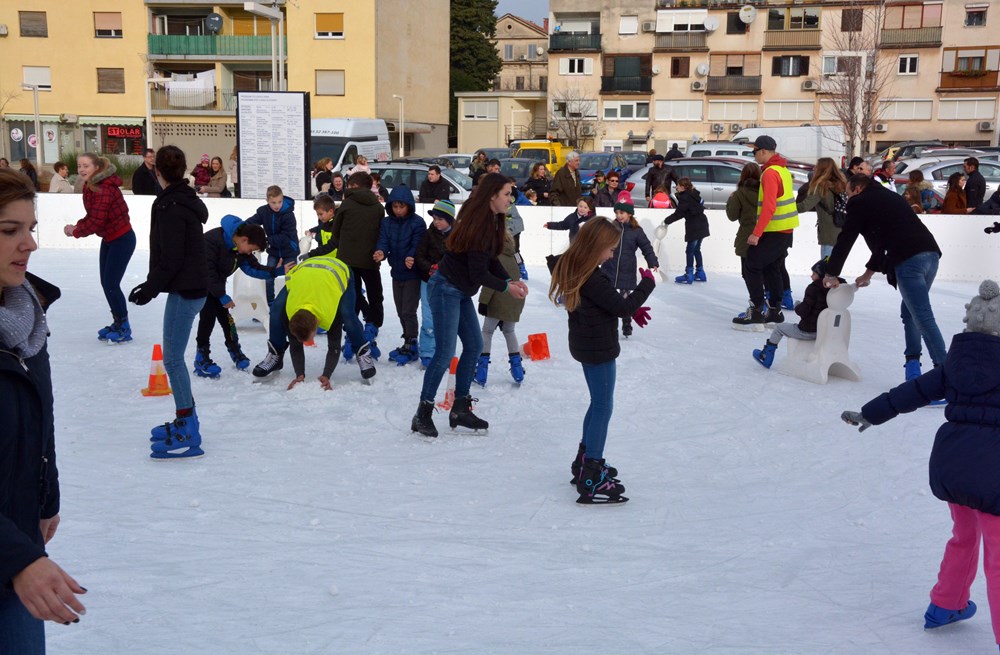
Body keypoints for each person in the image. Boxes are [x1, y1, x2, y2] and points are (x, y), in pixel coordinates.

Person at [840, 279, 1000, 651]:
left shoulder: (953, 364)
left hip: (952, 465)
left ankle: (946, 605)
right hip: (993, 472)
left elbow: (911, 393)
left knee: (963, 536)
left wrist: (869, 413)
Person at [0, 169, 87, 654]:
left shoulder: (24, 314)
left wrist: (45, 495)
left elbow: (39, 412)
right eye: (9, 231)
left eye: (30, 228)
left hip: (17, 545)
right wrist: (17, 557)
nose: (29, 244)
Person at [410, 173, 529, 438]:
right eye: (507, 193)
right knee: (444, 353)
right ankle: (423, 413)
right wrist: (506, 287)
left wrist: (510, 279)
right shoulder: (478, 225)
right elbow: (479, 273)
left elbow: (491, 261)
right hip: (445, 289)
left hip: (461, 291)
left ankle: (460, 408)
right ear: (492, 196)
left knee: (474, 346)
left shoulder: (494, 221)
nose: (511, 198)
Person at [548, 216, 656, 504]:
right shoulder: (592, 277)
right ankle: (592, 474)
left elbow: (609, 306)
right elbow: (620, 306)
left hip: (586, 345)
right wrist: (646, 285)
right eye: (609, 249)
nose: (611, 255)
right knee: (603, 407)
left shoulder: (580, 269)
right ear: (596, 246)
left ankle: (584, 461)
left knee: (597, 404)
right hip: (598, 349)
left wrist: (631, 310)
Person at [128, 145, 209, 459]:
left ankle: (188, 426)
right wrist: (152, 285)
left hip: (186, 289)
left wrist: (150, 288)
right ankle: (184, 419)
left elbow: (172, 257)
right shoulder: (184, 200)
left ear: (157, 172)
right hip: (190, 286)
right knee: (173, 358)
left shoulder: (171, 206)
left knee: (173, 359)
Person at [824, 174, 946, 380]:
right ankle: (913, 368)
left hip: (909, 261)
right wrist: (867, 274)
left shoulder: (859, 202)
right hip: (931, 255)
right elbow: (885, 241)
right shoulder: (890, 197)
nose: (847, 197)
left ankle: (945, 378)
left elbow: (846, 239)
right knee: (910, 313)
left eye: (848, 192)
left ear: (858, 188)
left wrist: (831, 272)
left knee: (923, 317)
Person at [270, 254, 376, 389]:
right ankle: (274, 354)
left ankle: (363, 352)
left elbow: (334, 347)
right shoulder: (290, 314)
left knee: (348, 315)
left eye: (308, 339)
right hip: (305, 271)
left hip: (337, 270)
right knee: (276, 310)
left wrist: (327, 374)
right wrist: (299, 375)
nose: (307, 343)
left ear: (316, 322)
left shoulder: (330, 313)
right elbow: (295, 345)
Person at [62, 153, 137, 342]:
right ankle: (118, 321)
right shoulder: (92, 186)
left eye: (86, 165)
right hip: (110, 238)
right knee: (107, 283)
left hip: (122, 239)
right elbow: (93, 216)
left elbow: (96, 221)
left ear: (96, 167)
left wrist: (75, 231)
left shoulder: (103, 189)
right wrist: (77, 226)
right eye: (79, 166)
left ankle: (124, 326)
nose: (81, 169)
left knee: (111, 284)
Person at [194, 216, 280, 378]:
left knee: (227, 319)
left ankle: (235, 350)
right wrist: (222, 296)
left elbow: (254, 268)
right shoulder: (212, 241)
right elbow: (207, 273)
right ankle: (201, 357)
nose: (250, 253)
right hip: (200, 283)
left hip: (217, 284)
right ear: (244, 239)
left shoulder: (240, 248)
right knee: (208, 317)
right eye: (251, 249)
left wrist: (276, 271)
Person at [732, 135, 800, 328]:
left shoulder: (770, 173)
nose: (753, 155)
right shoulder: (783, 170)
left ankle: (756, 311)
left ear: (763, 151)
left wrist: (756, 233)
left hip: (774, 230)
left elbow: (769, 206)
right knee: (772, 268)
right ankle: (774, 311)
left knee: (752, 265)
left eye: (754, 151)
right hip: (785, 230)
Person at [331, 171, 386, 359]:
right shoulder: (378, 207)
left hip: (347, 262)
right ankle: (370, 331)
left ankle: (351, 337)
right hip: (370, 261)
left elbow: (335, 232)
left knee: (351, 299)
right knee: (375, 296)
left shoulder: (346, 204)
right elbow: (382, 233)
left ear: (354, 186)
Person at [751, 259, 844, 368]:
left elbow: (803, 311)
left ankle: (766, 356)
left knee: (779, 329)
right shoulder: (836, 289)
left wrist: (797, 306)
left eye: (814, 273)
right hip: (827, 332)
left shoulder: (813, 288)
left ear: (823, 276)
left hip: (809, 331)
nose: (811, 276)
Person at [374, 185, 427, 365]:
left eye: (401, 207)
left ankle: (412, 343)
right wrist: (381, 251)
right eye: (395, 207)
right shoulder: (386, 223)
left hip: (412, 274)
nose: (398, 210)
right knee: (399, 311)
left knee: (408, 310)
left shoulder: (418, 223)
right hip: (396, 272)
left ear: (409, 206)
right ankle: (407, 341)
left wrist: (411, 256)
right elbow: (383, 240)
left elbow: (418, 243)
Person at [602, 190, 659, 337]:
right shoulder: (611, 227)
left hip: (627, 269)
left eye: (622, 213)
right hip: (609, 267)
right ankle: (609, 324)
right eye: (617, 212)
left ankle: (627, 324)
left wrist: (652, 261)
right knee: (608, 298)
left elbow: (646, 247)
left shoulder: (636, 231)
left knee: (625, 299)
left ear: (630, 213)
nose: (619, 215)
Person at [474, 229, 526, 387]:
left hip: (498, 298)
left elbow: (490, 282)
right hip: (515, 299)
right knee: (509, 331)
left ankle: (481, 372)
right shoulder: (515, 255)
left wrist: (483, 302)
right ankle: (517, 369)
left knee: (487, 331)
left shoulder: (494, 256)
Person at [414, 199, 455, 367]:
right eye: (434, 218)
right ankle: (427, 351)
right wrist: (430, 268)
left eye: (440, 219)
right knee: (429, 317)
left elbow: (459, 259)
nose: (436, 222)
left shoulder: (457, 236)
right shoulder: (428, 234)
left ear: (450, 220)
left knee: (448, 319)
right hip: (428, 282)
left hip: (450, 284)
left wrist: (446, 269)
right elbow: (419, 256)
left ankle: (445, 352)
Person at [246, 185, 298, 307]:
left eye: (279, 202)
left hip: (289, 250)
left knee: (292, 278)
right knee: (269, 275)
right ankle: (270, 304)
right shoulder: (263, 212)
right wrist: (241, 227)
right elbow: (251, 222)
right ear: (267, 201)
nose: (277, 205)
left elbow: (286, 236)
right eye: (273, 202)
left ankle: (293, 303)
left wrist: (266, 241)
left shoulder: (288, 214)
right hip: (274, 251)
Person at [796, 157, 847, 259]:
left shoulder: (821, 186)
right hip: (841, 224)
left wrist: (785, 207)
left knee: (826, 261)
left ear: (822, 169)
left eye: (817, 166)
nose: (814, 168)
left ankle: (825, 275)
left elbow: (804, 206)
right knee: (834, 259)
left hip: (829, 228)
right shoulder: (841, 183)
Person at [662, 177, 710, 284]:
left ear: (683, 187)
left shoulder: (685, 197)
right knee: (697, 249)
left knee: (690, 250)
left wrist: (666, 221)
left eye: (678, 186)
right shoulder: (694, 194)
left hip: (694, 226)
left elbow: (679, 213)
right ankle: (700, 273)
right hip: (702, 224)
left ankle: (689, 274)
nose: (676, 187)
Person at [726, 162, 761, 290]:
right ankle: (770, 301)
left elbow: (732, 216)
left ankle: (756, 303)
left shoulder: (739, 194)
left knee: (748, 272)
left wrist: (730, 200)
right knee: (766, 272)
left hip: (747, 236)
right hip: (766, 234)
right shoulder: (765, 191)